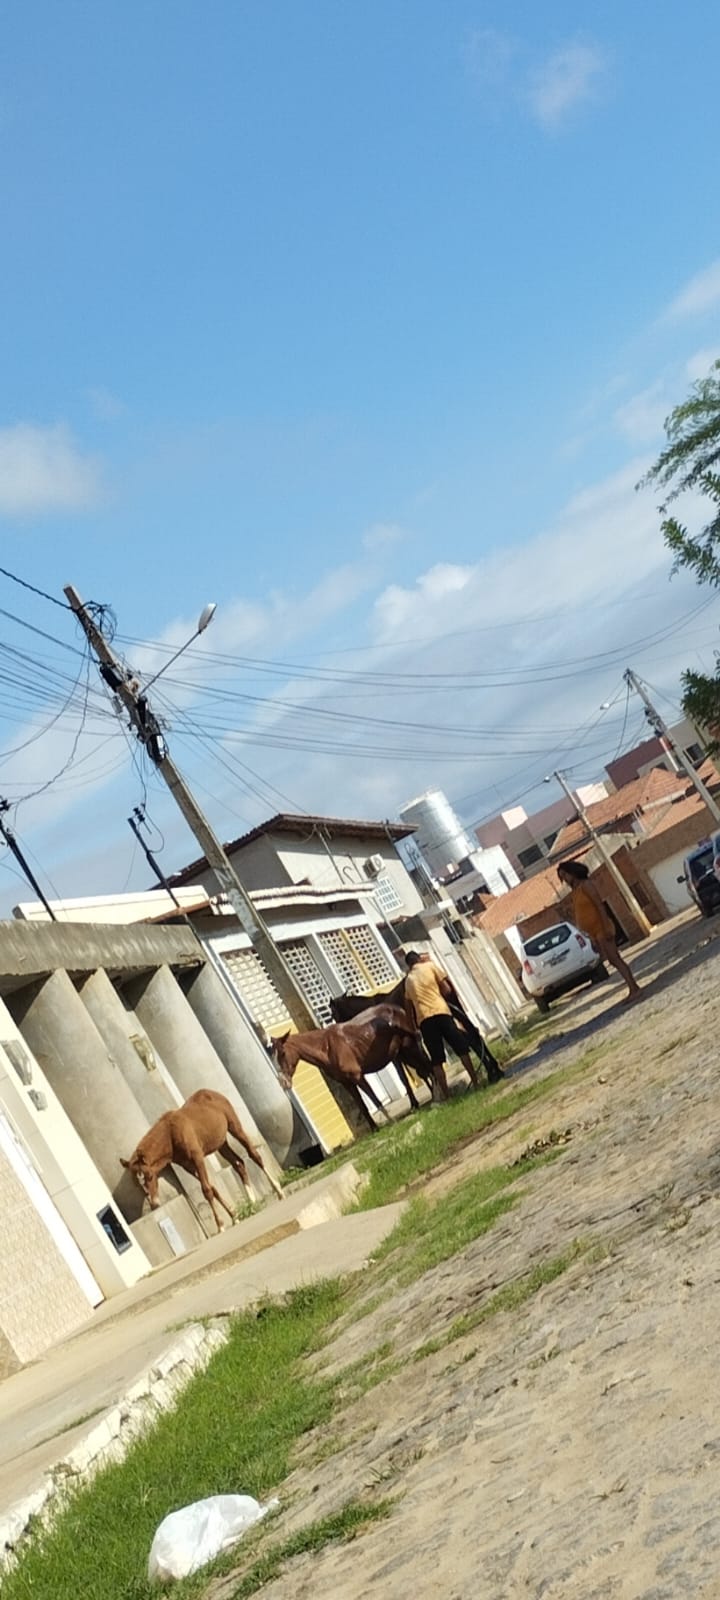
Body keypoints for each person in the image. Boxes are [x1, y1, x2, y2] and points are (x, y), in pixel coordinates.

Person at [403, 951, 503, 1089]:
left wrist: (413, 1028)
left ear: (409, 966)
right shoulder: (430, 966)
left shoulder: (408, 980)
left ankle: (446, 1094)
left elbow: (408, 1006)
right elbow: (447, 989)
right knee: (461, 1049)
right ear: (419, 959)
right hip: (442, 1012)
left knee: (436, 1061)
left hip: (425, 1020)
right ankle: (475, 1082)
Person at [556, 859, 641, 1003]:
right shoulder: (575, 892)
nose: (565, 879)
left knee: (615, 959)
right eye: (562, 877)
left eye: (565, 875)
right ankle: (632, 987)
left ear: (572, 872)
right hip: (593, 932)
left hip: (602, 928)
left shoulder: (586, 885)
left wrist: (606, 926)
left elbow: (599, 905)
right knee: (612, 960)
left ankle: (634, 988)